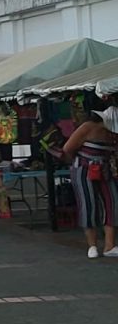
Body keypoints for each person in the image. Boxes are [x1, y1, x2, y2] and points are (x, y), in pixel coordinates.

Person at [62, 106, 118, 259]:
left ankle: (109, 245)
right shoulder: (87, 128)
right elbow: (67, 148)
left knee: (112, 202)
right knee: (88, 203)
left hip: (105, 169)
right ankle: (92, 245)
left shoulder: (112, 134)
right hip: (84, 169)